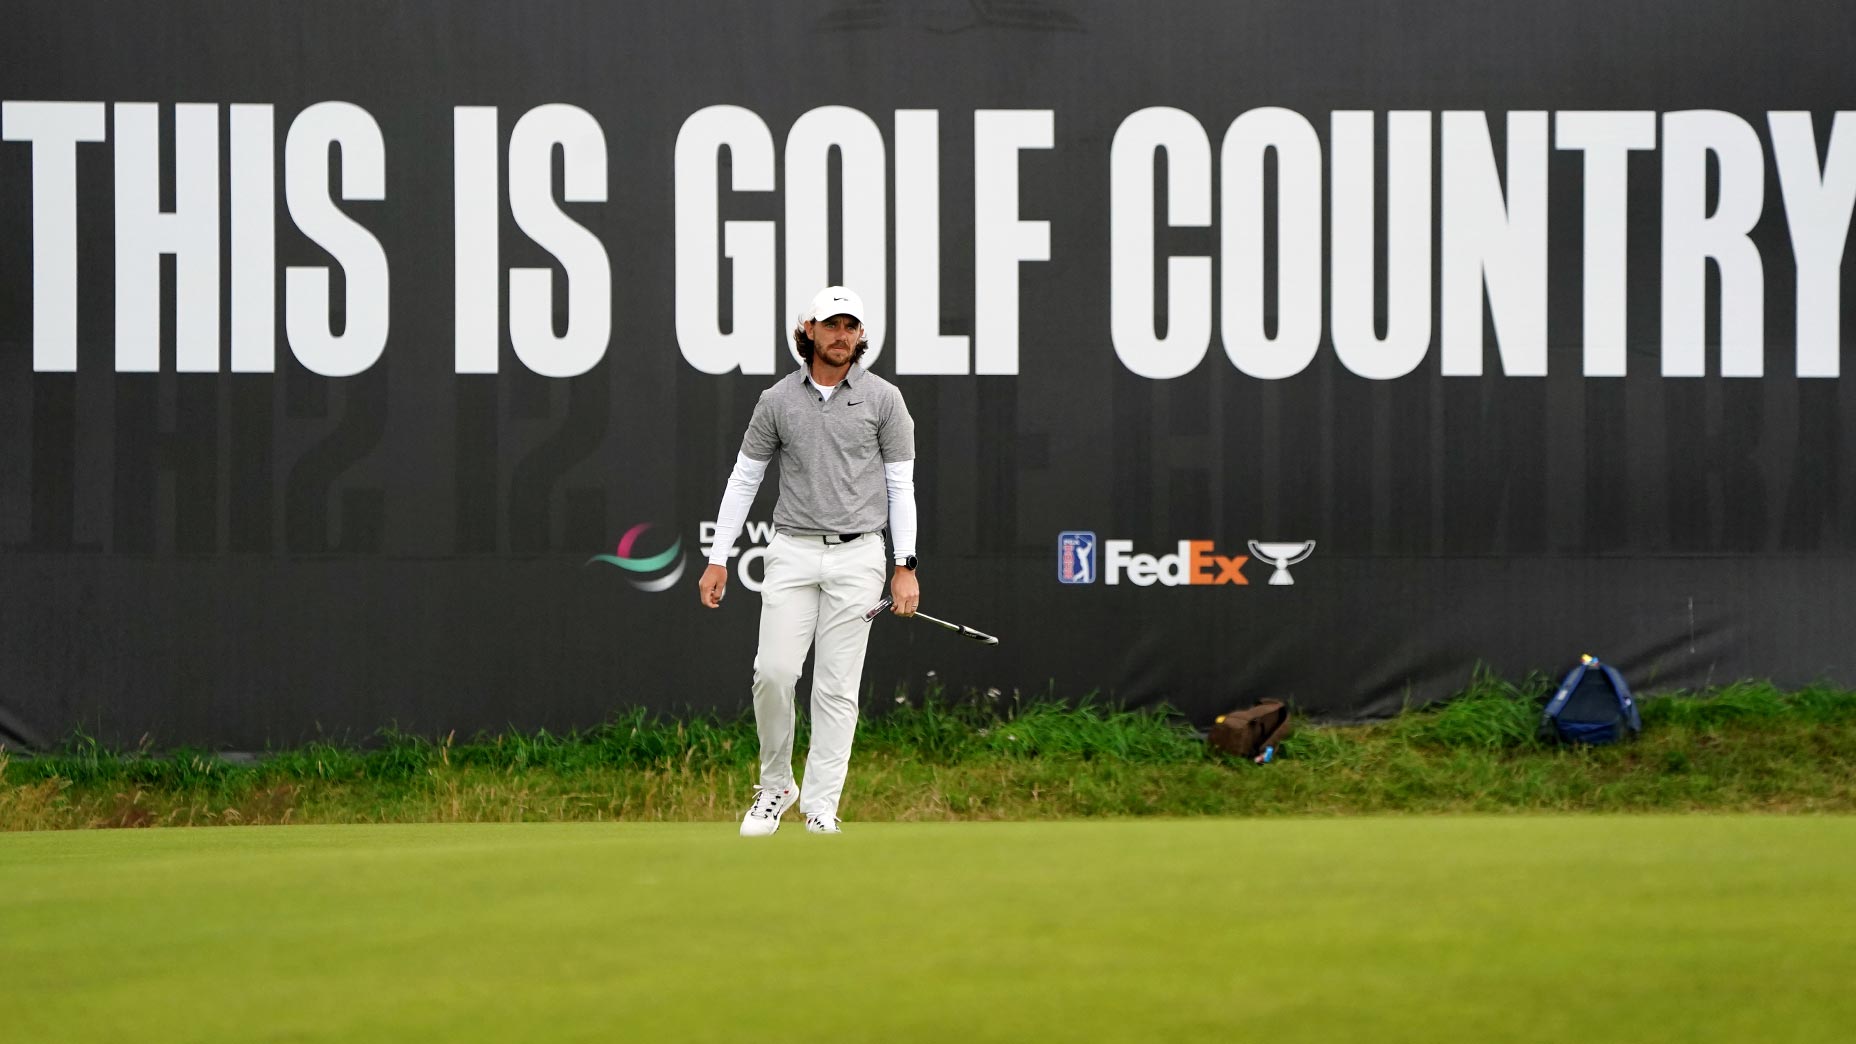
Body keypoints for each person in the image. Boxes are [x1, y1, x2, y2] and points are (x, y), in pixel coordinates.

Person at [698, 285, 919, 836]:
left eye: (851, 326)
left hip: (860, 555)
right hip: (792, 550)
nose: (841, 335)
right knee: (772, 674)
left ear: (860, 336)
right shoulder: (776, 400)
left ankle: (821, 805)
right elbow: (745, 477)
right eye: (831, 325)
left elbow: (901, 487)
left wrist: (905, 563)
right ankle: (775, 786)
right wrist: (718, 557)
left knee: (836, 688)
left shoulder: (885, 400)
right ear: (809, 332)